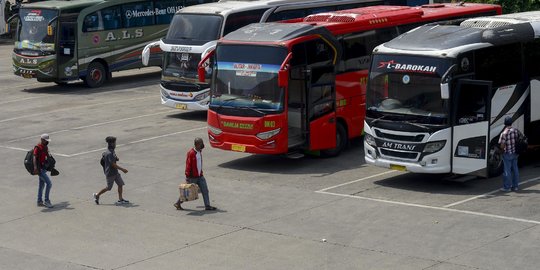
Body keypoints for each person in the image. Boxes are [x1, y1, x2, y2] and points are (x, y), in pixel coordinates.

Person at [174, 137, 217, 211]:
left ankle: (207, 205)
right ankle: (178, 203)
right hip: (192, 177)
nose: (203, 145)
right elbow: (188, 165)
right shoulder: (191, 153)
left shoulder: (199, 151)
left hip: (200, 176)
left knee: (205, 190)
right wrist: (187, 176)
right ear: (197, 145)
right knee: (187, 191)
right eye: (201, 144)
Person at [93, 136, 130, 205]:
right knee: (108, 188)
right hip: (110, 173)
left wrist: (116, 158)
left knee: (120, 184)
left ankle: (120, 199)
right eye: (115, 142)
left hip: (115, 172)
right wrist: (122, 169)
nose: (116, 144)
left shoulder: (112, 151)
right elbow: (113, 164)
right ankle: (97, 195)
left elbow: (113, 159)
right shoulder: (109, 153)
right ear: (112, 143)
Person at [498, 116, 520, 192]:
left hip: (507, 153)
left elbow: (502, 145)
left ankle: (507, 187)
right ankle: (515, 186)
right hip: (515, 153)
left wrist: (501, 150)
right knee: (515, 169)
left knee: (507, 171)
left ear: (505, 123)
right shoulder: (515, 130)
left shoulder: (504, 133)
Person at [33, 134, 53, 208]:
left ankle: (39, 201)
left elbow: (48, 156)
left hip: (44, 169)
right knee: (49, 184)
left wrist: (51, 164)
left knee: (41, 185)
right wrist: (35, 167)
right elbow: (34, 157)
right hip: (39, 169)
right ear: (42, 140)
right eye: (46, 141)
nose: (47, 142)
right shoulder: (37, 147)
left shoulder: (45, 147)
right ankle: (47, 201)